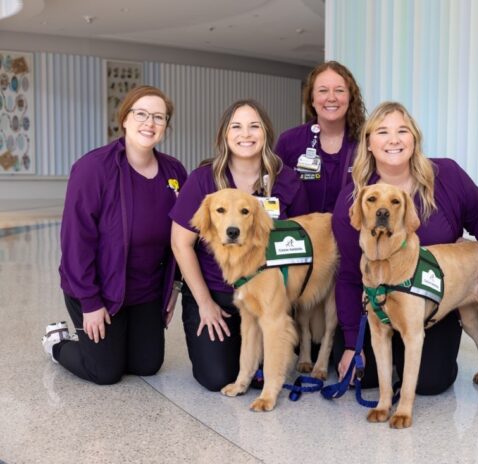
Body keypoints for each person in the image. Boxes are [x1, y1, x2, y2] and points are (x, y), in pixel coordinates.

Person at [331, 101, 478, 394]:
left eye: (403, 130)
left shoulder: (447, 174)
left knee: (430, 383)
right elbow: (349, 275)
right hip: (378, 304)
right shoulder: (356, 198)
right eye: (383, 132)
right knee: (364, 377)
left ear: (415, 139)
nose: (394, 139)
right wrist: (351, 343)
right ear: (369, 144)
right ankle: (390, 358)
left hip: (431, 305)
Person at [42, 85, 187, 385]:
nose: (150, 123)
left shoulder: (174, 172)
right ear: (124, 118)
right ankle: (57, 343)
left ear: (165, 126)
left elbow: (182, 237)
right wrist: (90, 303)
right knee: (105, 372)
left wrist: (174, 286)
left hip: (145, 291)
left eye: (159, 117)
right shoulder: (93, 168)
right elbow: (75, 242)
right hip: (99, 289)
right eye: (142, 114)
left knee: (147, 365)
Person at [170, 100, 309, 391]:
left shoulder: (286, 180)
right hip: (215, 295)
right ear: (224, 134)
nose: (245, 134)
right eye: (236, 126)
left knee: (262, 377)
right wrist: (204, 303)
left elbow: (300, 244)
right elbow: (181, 244)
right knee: (218, 378)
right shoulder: (202, 180)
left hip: (267, 296)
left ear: (266, 133)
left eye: (254, 126)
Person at [275, 61, 366, 213]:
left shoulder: (366, 142)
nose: (331, 98)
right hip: (301, 234)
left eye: (339, 90)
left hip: (352, 235)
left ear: (350, 98)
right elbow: (274, 196)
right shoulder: (289, 142)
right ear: (312, 99)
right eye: (323, 91)